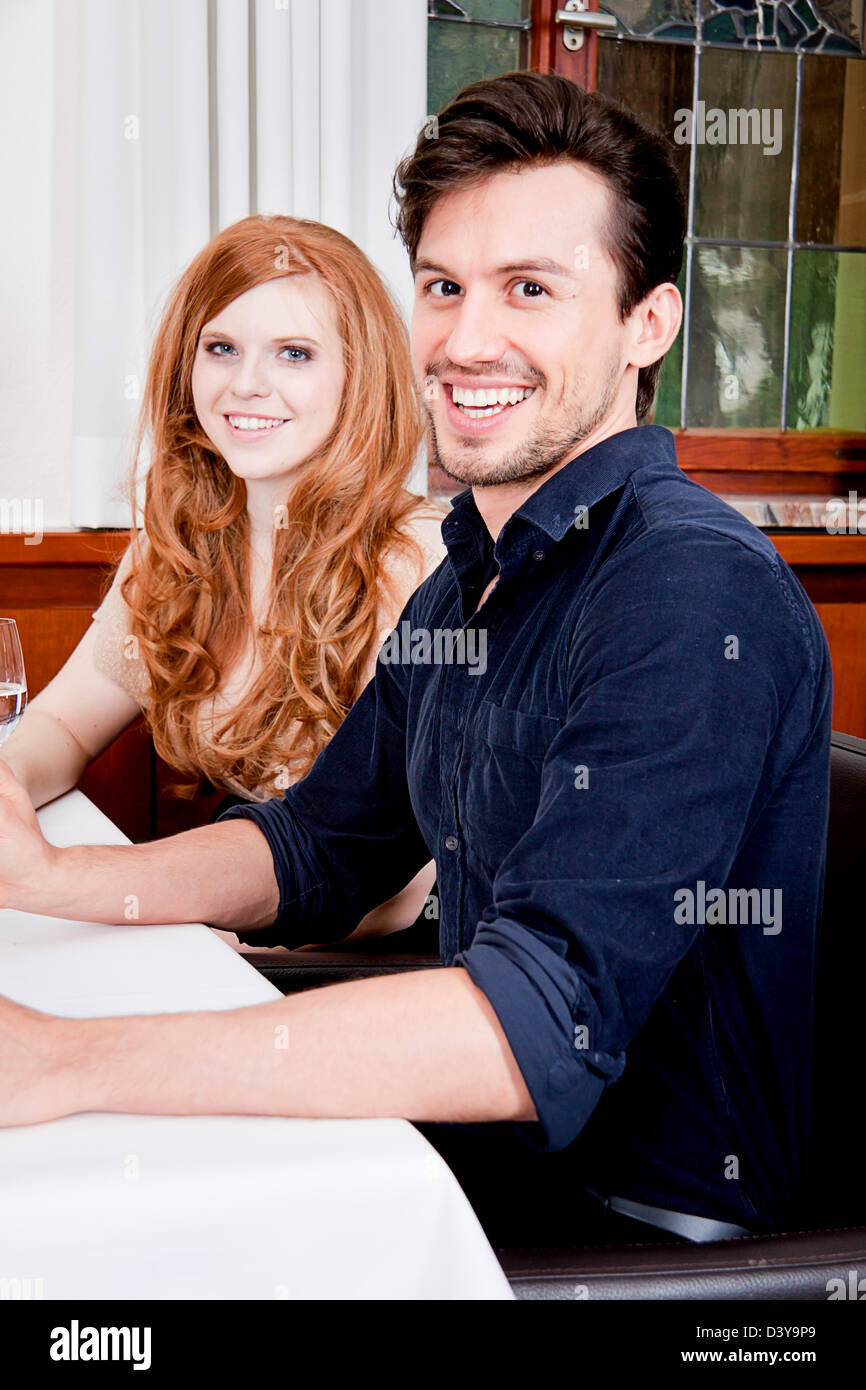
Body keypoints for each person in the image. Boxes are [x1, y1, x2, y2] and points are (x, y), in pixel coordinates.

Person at [0, 74, 831, 1251]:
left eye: (529, 290)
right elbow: (317, 845)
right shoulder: (475, 568)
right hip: (468, 1162)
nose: (467, 336)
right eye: (443, 287)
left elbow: (533, 1020)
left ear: (648, 323)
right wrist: (43, 881)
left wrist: (68, 1060)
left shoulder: (687, 586)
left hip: (632, 1233)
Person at [0, 214, 446, 937]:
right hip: (240, 912)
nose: (246, 384)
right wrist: (8, 788)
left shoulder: (417, 560)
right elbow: (59, 722)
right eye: (222, 348)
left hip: (377, 953)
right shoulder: (178, 546)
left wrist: (189, 919)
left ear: (358, 378)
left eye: (294, 354)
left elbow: (391, 884)